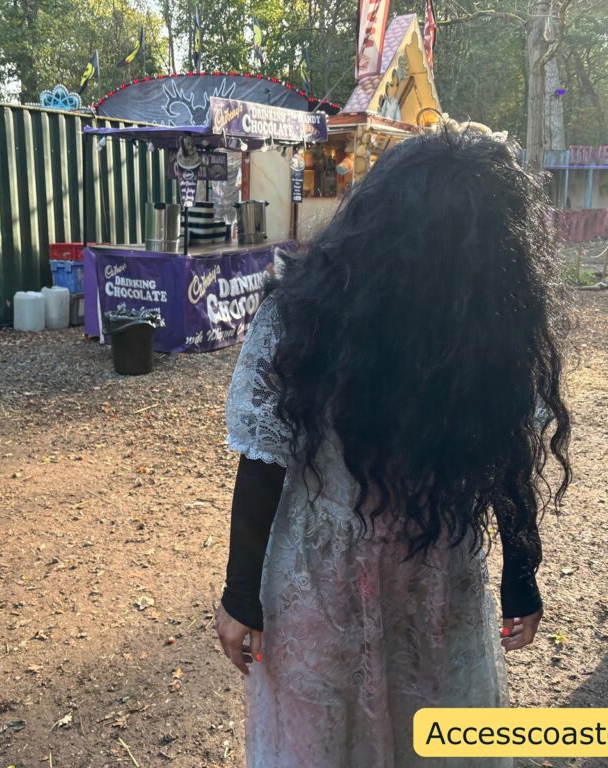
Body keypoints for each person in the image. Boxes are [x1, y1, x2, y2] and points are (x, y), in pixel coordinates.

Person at [214, 121, 572, 768]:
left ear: (373, 218)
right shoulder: (489, 327)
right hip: (425, 586)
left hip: (324, 584)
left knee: (324, 740)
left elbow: (263, 462)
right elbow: (509, 468)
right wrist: (520, 581)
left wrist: (241, 596)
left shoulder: (306, 312)